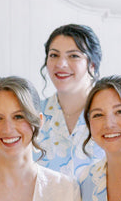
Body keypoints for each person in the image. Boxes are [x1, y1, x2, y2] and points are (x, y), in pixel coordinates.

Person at [36, 24, 101, 179]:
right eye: (54, 55)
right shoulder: (32, 116)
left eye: (73, 56)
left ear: (92, 65)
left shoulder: (113, 117)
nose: (61, 64)